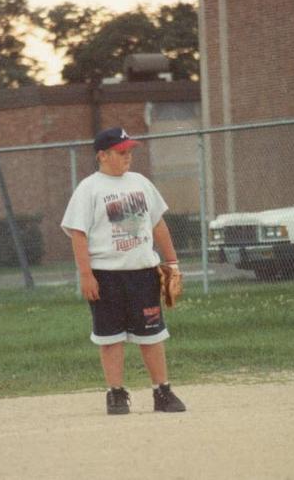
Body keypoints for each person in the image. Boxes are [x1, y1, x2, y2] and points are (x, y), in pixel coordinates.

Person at [61, 126, 186, 415]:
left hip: (143, 273)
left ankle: (162, 391)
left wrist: (172, 263)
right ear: (102, 155)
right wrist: (86, 275)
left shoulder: (140, 182)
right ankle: (116, 393)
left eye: (129, 151)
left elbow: (158, 223)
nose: (127, 156)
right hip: (106, 275)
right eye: (121, 152)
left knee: (152, 335)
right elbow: (78, 234)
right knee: (110, 337)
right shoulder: (89, 188)